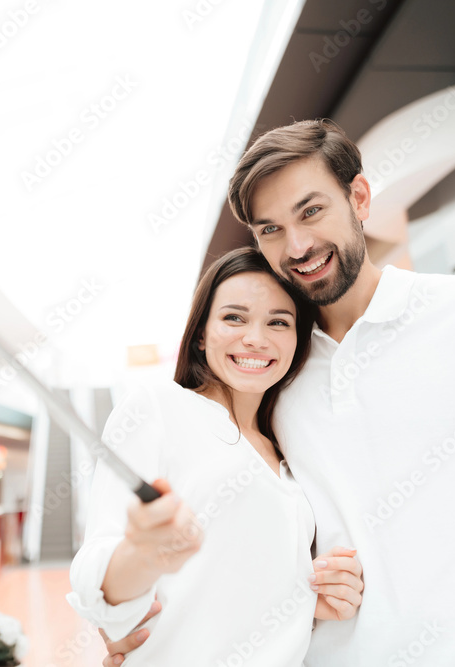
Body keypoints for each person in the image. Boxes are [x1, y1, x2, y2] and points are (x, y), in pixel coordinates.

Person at [102, 119, 455, 666]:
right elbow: (230, 540)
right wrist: (139, 619)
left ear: (359, 196)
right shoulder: (272, 371)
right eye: (271, 230)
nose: (299, 245)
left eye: (311, 211)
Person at [67, 247, 365, 665]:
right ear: (202, 332)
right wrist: (143, 554)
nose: (256, 338)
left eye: (278, 322)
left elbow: (237, 579)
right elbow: (95, 576)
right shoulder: (158, 407)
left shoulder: (288, 449)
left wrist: (316, 599)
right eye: (234, 317)